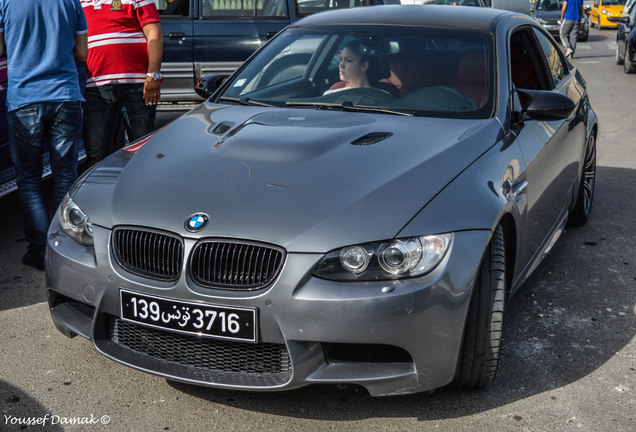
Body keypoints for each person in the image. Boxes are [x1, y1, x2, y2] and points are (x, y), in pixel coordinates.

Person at [0, 0, 87, 271]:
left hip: (24, 98)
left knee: (28, 180)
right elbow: (82, 52)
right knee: (65, 174)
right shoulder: (70, 2)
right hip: (65, 95)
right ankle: (62, 247)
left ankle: (39, 251)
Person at [82, 0, 163, 167]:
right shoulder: (78, 4)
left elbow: (154, 34)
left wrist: (153, 75)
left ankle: (141, 191)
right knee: (97, 154)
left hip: (138, 87)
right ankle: (100, 192)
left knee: (142, 152)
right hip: (95, 89)